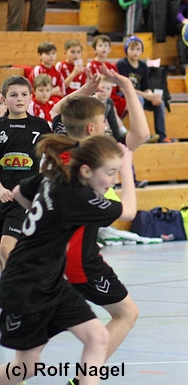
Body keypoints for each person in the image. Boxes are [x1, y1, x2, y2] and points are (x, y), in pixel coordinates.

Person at [0, 133, 135, 385]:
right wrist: (127, 167)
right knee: (26, 368)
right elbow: (129, 211)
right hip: (26, 286)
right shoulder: (77, 197)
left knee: (97, 337)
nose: (113, 180)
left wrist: (46, 224)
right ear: (86, 170)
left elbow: (19, 192)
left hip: (52, 282)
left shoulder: (55, 176)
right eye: (110, 172)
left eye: (116, 172)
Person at [52, 67, 149, 384]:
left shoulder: (57, 145)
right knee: (126, 314)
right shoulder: (92, 162)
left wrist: (83, 91)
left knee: (35, 340)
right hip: (78, 259)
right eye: (105, 123)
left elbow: (58, 112)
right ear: (93, 127)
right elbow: (140, 137)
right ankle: (85, 377)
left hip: (50, 253)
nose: (108, 127)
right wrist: (128, 88)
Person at [0, 75, 51, 270]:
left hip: (22, 199)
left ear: (31, 97)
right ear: (3, 99)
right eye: (13, 95)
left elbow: (54, 157)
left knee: (7, 248)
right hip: (1, 195)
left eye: (23, 94)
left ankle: (18, 287)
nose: (19, 99)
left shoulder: (40, 126)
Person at [116, 35, 172, 143]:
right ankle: (139, 134)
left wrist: (152, 96)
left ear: (142, 51)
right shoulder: (122, 64)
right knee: (139, 99)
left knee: (160, 103)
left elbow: (146, 87)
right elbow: (124, 88)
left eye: (138, 49)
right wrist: (147, 96)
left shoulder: (143, 66)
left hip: (139, 95)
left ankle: (162, 136)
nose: (135, 52)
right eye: (132, 49)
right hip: (124, 96)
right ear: (126, 50)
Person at [87, 35, 126, 117]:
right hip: (98, 96)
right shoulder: (90, 66)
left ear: (109, 49)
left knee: (129, 103)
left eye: (106, 45)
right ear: (94, 50)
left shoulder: (112, 66)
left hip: (113, 96)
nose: (103, 48)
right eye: (100, 45)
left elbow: (118, 86)